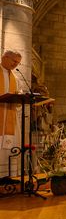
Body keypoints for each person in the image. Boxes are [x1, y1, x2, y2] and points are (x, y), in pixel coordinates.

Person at [0, 50, 22, 178]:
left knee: (10, 147)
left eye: (18, 63)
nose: (16, 65)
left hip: (10, 118)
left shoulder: (16, 78)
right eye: (14, 61)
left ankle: (8, 175)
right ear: (5, 57)